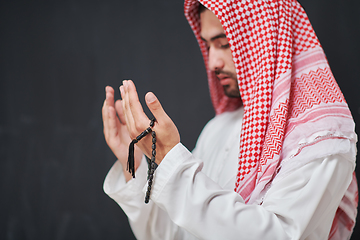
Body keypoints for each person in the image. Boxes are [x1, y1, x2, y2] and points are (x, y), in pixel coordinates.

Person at [102, 0, 358, 239]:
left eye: (224, 44)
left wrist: (171, 160)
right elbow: (176, 233)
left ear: (266, 41)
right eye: (208, 45)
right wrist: (133, 162)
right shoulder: (218, 129)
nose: (212, 61)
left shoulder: (321, 139)